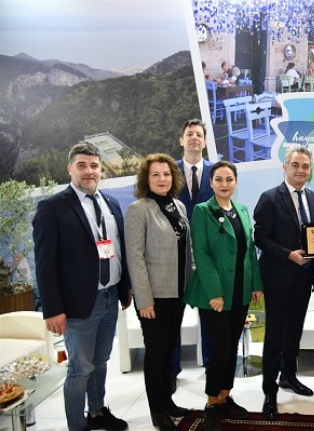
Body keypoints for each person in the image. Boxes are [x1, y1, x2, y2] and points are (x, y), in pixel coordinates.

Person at [33, 142, 132, 431]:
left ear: (101, 170)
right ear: (70, 169)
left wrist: (124, 288)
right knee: (79, 369)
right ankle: (77, 426)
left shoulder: (111, 203)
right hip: (77, 306)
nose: (89, 171)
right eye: (82, 165)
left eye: (94, 166)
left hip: (110, 297)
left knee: (101, 361)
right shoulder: (52, 208)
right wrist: (52, 310)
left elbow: (117, 248)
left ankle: (97, 412)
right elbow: (45, 264)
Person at [184, 161, 264, 431]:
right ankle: (211, 403)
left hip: (240, 291)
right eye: (219, 179)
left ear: (236, 182)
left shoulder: (241, 209)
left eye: (229, 179)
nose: (224, 184)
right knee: (219, 348)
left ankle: (226, 395)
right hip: (215, 293)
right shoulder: (202, 211)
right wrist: (215, 292)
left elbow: (250, 250)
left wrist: (255, 283)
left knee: (231, 347)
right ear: (211, 183)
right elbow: (202, 254)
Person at [253, 146, 314, 420]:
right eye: (295, 165)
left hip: (304, 280)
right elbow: (260, 238)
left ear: (310, 170)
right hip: (278, 278)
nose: (300, 170)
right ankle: (269, 392)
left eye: (305, 166)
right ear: (285, 167)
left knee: (294, 332)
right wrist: (288, 255)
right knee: (274, 337)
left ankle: (289, 377)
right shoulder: (270, 198)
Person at [125, 153, 193, 431]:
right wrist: (144, 300)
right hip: (154, 297)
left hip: (177, 293)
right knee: (155, 354)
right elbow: (135, 257)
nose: (162, 179)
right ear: (146, 179)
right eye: (155, 174)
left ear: (173, 177)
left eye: (166, 174)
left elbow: (185, 250)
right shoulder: (138, 209)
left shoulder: (179, 206)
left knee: (169, 351)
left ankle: (168, 401)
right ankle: (157, 412)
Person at [172, 119, 214, 390]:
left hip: (208, 259)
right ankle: (172, 371)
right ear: (181, 140)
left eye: (199, 134)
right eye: (189, 134)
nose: (194, 138)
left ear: (205, 141)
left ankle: (213, 367)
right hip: (175, 259)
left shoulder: (216, 171)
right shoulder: (169, 172)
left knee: (210, 317)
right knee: (172, 319)